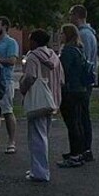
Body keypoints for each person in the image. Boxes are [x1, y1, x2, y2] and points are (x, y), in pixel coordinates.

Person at [20, 29, 64, 183]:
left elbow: (30, 76)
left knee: (36, 137)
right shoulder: (55, 57)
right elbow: (62, 79)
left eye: (31, 39)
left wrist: (23, 89)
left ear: (35, 41)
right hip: (53, 100)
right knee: (45, 134)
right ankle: (39, 168)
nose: (29, 42)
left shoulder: (33, 57)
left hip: (38, 101)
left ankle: (39, 171)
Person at [57, 23, 88, 168]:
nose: (60, 35)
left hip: (70, 91)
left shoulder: (68, 51)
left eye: (62, 33)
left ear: (67, 35)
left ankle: (74, 155)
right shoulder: (79, 49)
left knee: (72, 124)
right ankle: (79, 152)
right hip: (81, 90)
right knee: (78, 123)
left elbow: (63, 71)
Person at [70, 5, 97, 162]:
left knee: (81, 116)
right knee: (82, 115)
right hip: (85, 82)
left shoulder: (84, 35)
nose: (69, 18)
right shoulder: (88, 34)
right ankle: (84, 148)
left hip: (82, 83)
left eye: (70, 14)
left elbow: (83, 60)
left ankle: (84, 149)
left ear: (77, 15)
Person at [0, 16, 19, 154]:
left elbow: (12, 60)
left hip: (5, 81)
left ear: (5, 27)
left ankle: (11, 141)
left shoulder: (10, 42)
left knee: (7, 111)